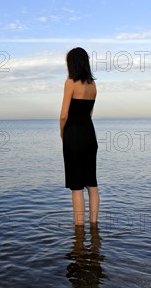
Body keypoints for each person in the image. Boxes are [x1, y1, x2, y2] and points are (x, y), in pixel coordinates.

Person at [60, 47, 99, 226]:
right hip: (89, 135)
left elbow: (63, 115)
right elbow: (89, 114)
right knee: (91, 183)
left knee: (76, 186)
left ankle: (79, 229)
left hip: (73, 135)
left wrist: (62, 132)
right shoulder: (93, 85)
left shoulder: (70, 83)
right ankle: (94, 225)